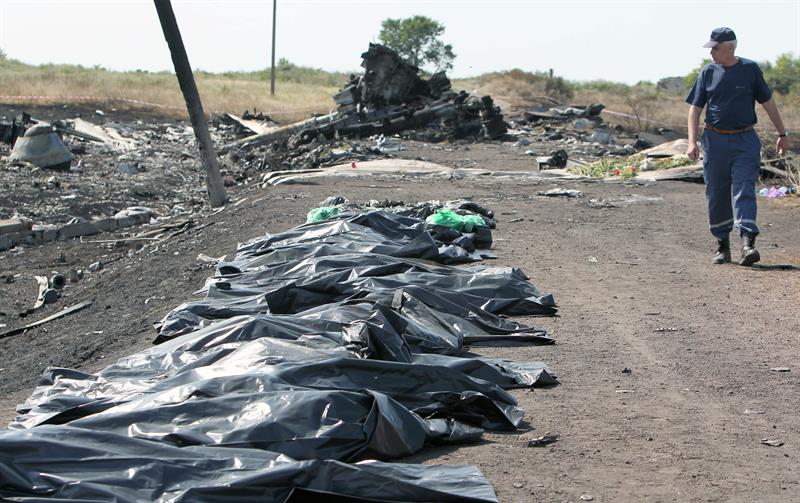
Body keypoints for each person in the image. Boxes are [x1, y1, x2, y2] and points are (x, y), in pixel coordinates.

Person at [686, 27, 789, 266]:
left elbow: (768, 103)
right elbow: (695, 109)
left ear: (730, 48)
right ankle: (722, 245)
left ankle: (747, 243)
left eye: (715, 48)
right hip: (714, 140)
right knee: (717, 192)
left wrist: (782, 134)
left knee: (744, 189)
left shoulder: (750, 70)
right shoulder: (708, 72)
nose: (711, 52)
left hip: (745, 140)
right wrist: (692, 141)